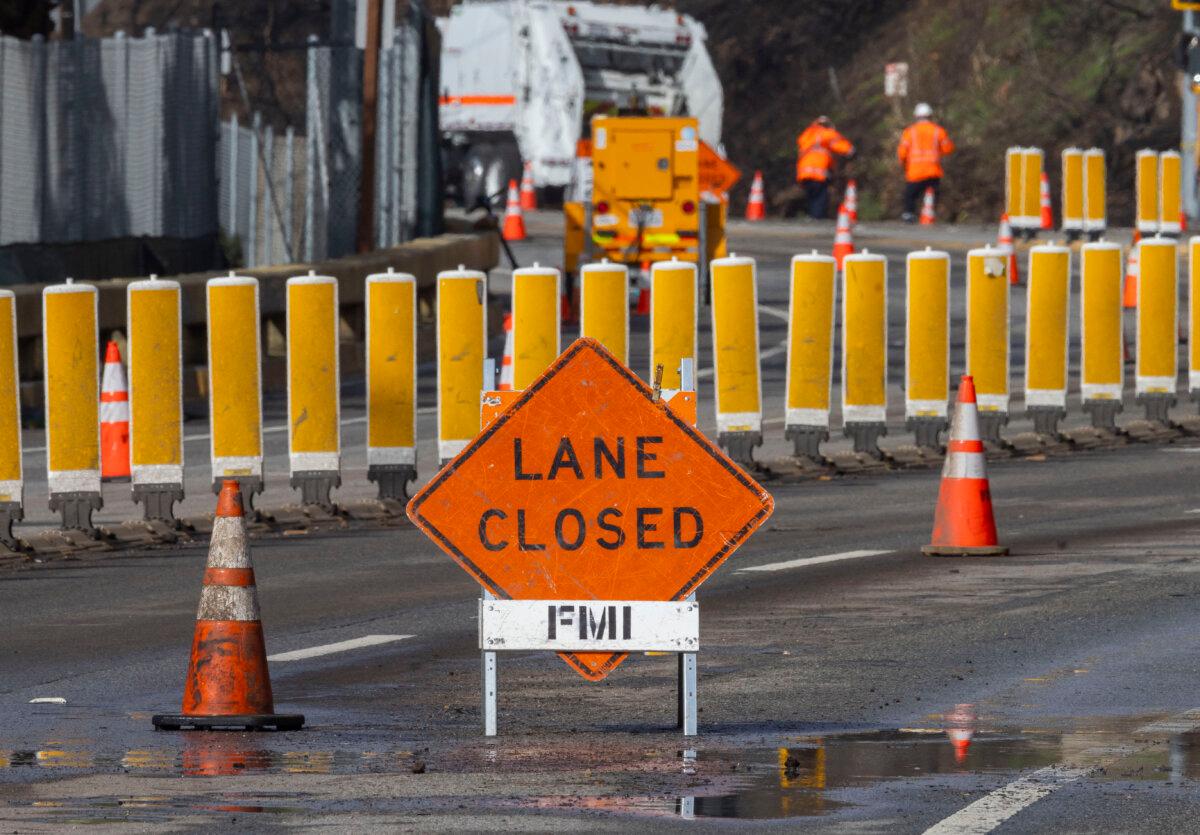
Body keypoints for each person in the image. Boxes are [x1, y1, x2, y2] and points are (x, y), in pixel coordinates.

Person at [898, 102, 955, 222]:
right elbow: (948, 148)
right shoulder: (938, 131)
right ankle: (930, 215)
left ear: (916, 116)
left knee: (910, 196)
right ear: (930, 116)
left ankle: (909, 215)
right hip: (933, 170)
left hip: (915, 171)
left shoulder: (909, 132)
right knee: (933, 196)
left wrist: (903, 164)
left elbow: (902, 152)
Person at [796, 116, 855, 219]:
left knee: (811, 196)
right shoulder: (827, 134)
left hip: (804, 173)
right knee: (820, 197)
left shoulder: (807, 134)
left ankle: (811, 216)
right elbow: (841, 145)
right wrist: (852, 151)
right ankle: (817, 219)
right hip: (819, 173)